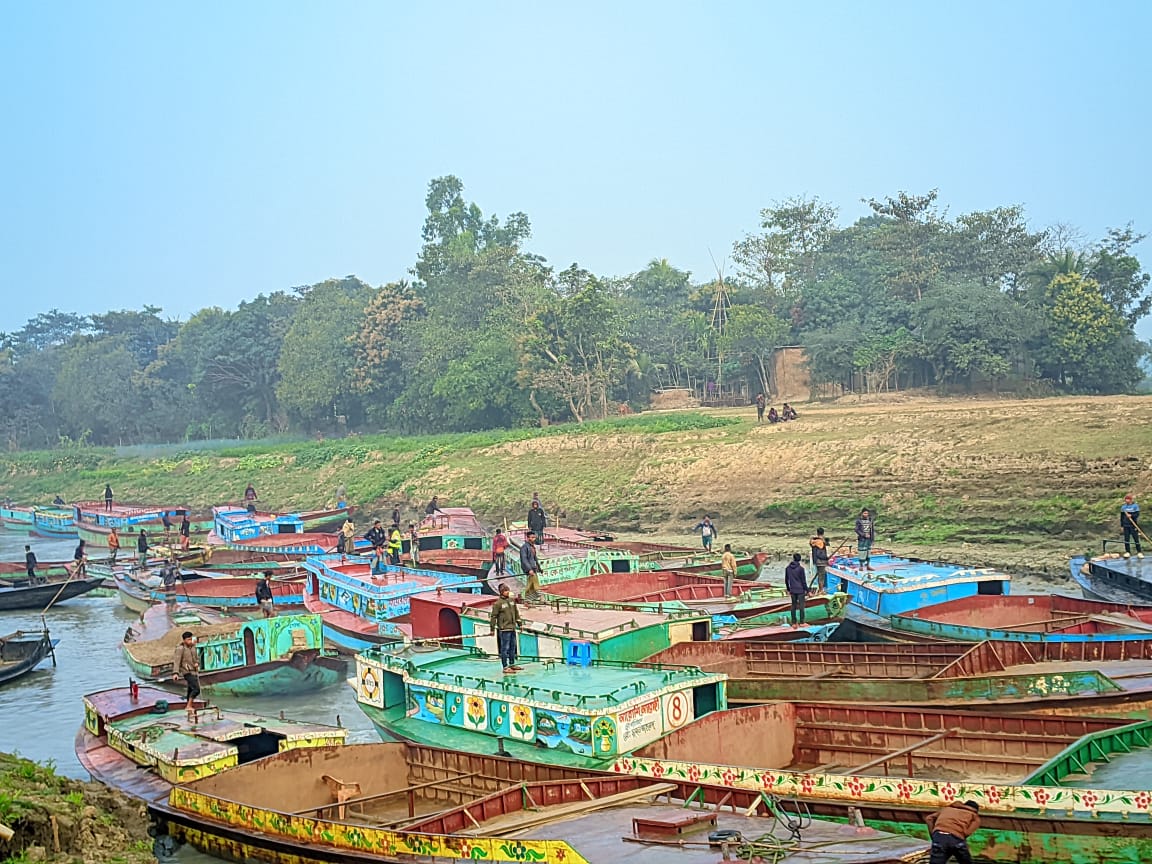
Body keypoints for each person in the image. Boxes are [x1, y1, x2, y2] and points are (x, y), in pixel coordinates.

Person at [925, 800, 980, 864]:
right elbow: (967, 833)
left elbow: (929, 818)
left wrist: (934, 835)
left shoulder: (947, 809)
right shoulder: (974, 816)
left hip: (939, 837)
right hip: (956, 839)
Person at [489, 583, 523, 674]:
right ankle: (505, 666)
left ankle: (512, 664)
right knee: (505, 648)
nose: (507, 592)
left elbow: (516, 612)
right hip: (504, 629)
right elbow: (493, 616)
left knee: (513, 646)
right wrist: (492, 628)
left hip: (512, 627)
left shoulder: (512, 601)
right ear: (501, 592)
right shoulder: (498, 604)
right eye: (505, 591)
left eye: (508, 590)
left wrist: (520, 624)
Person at [172, 631, 201, 720]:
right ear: (184, 640)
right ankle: (189, 706)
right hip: (186, 671)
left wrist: (197, 663)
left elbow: (196, 659)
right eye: (188, 639)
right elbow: (177, 661)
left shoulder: (193, 647)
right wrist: (175, 673)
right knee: (197, 689)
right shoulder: (180, 649)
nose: (190, 641)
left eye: (190, 639)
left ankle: (188, 707)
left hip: (194, 671)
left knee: (190, 689)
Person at [785, 553, 808, 627]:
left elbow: (786, 580)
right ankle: (802, 622)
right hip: (800, 590)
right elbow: (803, 581)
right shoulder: (801, 569)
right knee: (801, 606)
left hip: (792, 590)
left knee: (793, 606)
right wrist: (808, 591)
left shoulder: (788, 568)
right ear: (800, 559)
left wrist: (788, 589)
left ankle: (794, 623)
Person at [520, 530, 542, 601]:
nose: (533, 539)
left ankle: (528, 600)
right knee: (534, 584)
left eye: (534, 537)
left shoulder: (532, 547)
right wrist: (529, 569)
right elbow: (524, 559)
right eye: (531, 537)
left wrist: (539, 568)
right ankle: (540, 598)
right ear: (527, 538)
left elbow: (535, 558)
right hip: (529, 569)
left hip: (533, 568)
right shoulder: (524, 547)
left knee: (530, 585)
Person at [1122, 494, 1144, 559]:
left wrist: (1131, 515)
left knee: (1136, 538)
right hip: (1126, 525)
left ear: (1131, 500)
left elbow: (1137, 514)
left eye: (1128, 499)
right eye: (1126, 499)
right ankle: (1127, 552)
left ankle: (1139, 552)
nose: (1127, 500)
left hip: (1133, 525)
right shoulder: (1123, 507)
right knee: (1126, 539)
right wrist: (1122, 525)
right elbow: (1122, 517)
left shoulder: (1135, 506)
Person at [810, 527, 830, 592]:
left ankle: (820, 589)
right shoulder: (820, 541)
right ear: (823, 533)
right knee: (821, 576)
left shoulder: (814, 541)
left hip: (816, 560)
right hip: (821, 561)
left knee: (819, 575)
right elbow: (821, 552)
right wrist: (826, 558)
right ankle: (821, 590)